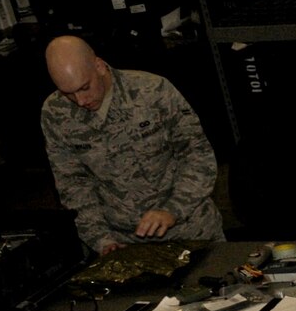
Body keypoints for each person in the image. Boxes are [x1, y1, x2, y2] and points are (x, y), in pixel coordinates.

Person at [39, 36, 224, 254]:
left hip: (191, 230)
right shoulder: (56, 113)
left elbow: (197, 154)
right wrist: (100, 239)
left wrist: (172, 210)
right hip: (124, 244)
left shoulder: (152, 91)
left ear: (99, 66)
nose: (80, 100)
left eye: (85, 87)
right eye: (68, 93)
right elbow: (73, 184)